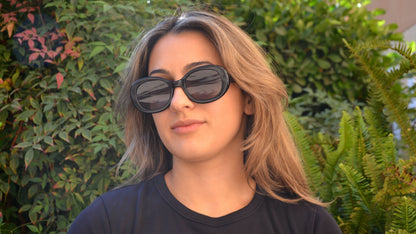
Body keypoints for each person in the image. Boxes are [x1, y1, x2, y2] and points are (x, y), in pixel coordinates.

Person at [68, 10, 342, 234]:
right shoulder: (106, 223)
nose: (178, 102)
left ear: (248, 97)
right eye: (157, 89)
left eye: (203, 81)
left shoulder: (308, 226)